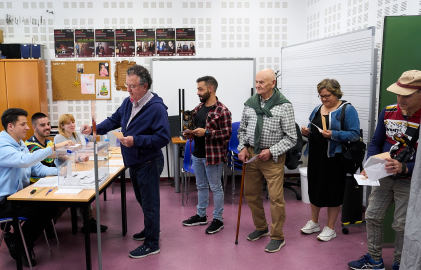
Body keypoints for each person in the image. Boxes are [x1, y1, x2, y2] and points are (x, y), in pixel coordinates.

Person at [81, 64, 169, 259]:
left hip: (149, 162)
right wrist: (94, 129)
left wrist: (136, 140)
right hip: (135, 162)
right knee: (143, 201)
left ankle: (152, 243)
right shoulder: (129, 103)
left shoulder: (156, 108)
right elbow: (113, 120)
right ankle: (150, 230)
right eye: (127, 85)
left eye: (132, 86)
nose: (128, 89)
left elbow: (163, 138)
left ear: (144, 86)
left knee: (150, 204)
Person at [348, 70, 421, 270]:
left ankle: (401, 263)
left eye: (406, 95)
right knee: (372, 216)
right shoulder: (388, 111)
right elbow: (376, 142)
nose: (400, 99)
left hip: (410, 182)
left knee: (402, 225)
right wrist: (370, 164)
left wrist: (406, 168)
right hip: (382, 176)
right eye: (398, 93)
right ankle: (374, 260)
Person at [0, 108, 60, 266]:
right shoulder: (1, 148)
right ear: (10, 126)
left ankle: (18, 241)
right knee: (43, 208)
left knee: (52, 203)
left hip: (17, 196)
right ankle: (22, 244)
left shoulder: (19, 144)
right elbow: (25, 161)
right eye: (23, 124)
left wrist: (62, 172)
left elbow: (37, 169)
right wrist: (51, 150)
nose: (27, 127)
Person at [237, 69, 296, 253]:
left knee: (276, 198)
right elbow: (242, 130)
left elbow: (291, 137)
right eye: (256, 82)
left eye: (262, 82)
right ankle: (261, 227)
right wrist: (243, 147)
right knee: (251, 194)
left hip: (273, 158)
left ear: (273, 84)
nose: (258, 85)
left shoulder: (284, 105)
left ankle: (277, 236)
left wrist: (271, 151)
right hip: (253, 155)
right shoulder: (250, 104)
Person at [300, 79, 360, 241]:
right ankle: (314, 222)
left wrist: (333, 134)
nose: (324, 99)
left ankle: (331, 227)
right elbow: (312, 125)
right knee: (315, 188)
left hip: (335, 158)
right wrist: (307, 132)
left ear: (336, 93)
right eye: (321, 96)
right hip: (316, 156)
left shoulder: (347, 110)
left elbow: (355, 134)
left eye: (327, 96)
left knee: (333, 191)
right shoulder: (317, 108)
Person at [181, 76, 232, 234]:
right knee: (201, 186)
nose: (198, 92)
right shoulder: (198, 108)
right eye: (197, 89)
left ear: (210, 89)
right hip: (197, 155)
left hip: (213, 157)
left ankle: (218, 219)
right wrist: (188, 133)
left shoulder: (222, 110)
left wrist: (207, 132)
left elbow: (227, 134)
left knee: (216, 188)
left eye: (200, 89)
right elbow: (192, 128)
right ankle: (201, 215)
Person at [53, 113, 108, 233]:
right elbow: (63, 156)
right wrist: (78, 158)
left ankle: (88, 221)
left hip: (80, 166)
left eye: (73, 122)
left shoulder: (77, 135)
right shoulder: (59, 138)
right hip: (65, 170)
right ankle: (50, 222)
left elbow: (84, 147)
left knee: (85, 190)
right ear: (62, 126)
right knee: (75, 193)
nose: (72, 125)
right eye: (68, 123)